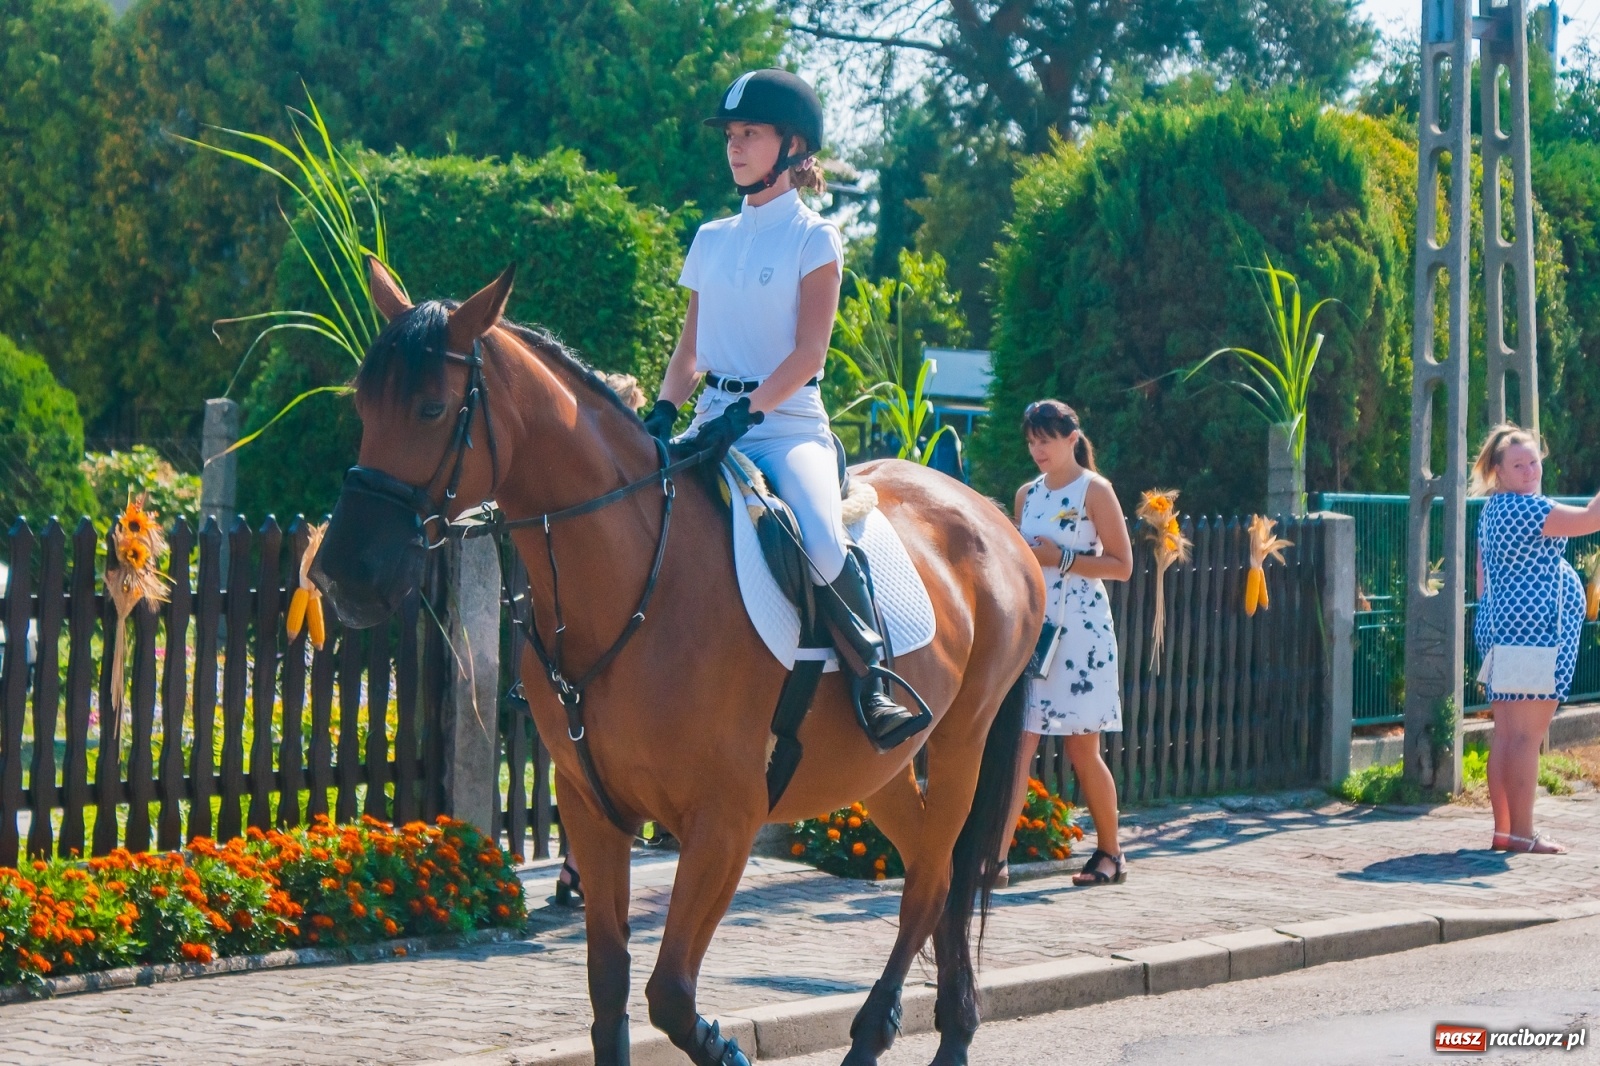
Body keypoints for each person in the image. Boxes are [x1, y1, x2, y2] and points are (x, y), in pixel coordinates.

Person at [640, 69, 929, 753]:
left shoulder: (814, 239)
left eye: (751, 134)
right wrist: (661, 413)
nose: (734, 147)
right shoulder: (710, 238)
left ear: (792, 146)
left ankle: (873, 681)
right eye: (731, 136)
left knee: (825, 544)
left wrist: (746, 417)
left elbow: (807, 355)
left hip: (786, 429)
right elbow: (689, 353)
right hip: (710, 417)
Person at [1003, 400, 1133, 887]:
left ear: (1071, 438)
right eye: (1032, 440)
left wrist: (1061, 561)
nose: (1037, 449)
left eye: (1046, 439)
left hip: (1082, 633)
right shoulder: (1026, 495)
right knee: (1020, 743)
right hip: (1036, 631)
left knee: (1083, 750)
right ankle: (992, 860)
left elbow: (1122, 565)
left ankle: (1111, 853)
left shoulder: (1094, 491)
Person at [1471, 423, 1600, 854]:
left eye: (1534, 462)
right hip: (1531, 633)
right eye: (1519, 465)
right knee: (1525, 739)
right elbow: (1591, 520)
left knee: (1508, 736)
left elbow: (1480, 578)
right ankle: (1524, 834)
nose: (1529, 471)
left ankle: (1506, 832)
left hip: (1505, 629)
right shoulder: (1525, 510)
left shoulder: (1494, 511)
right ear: (1499, 473)